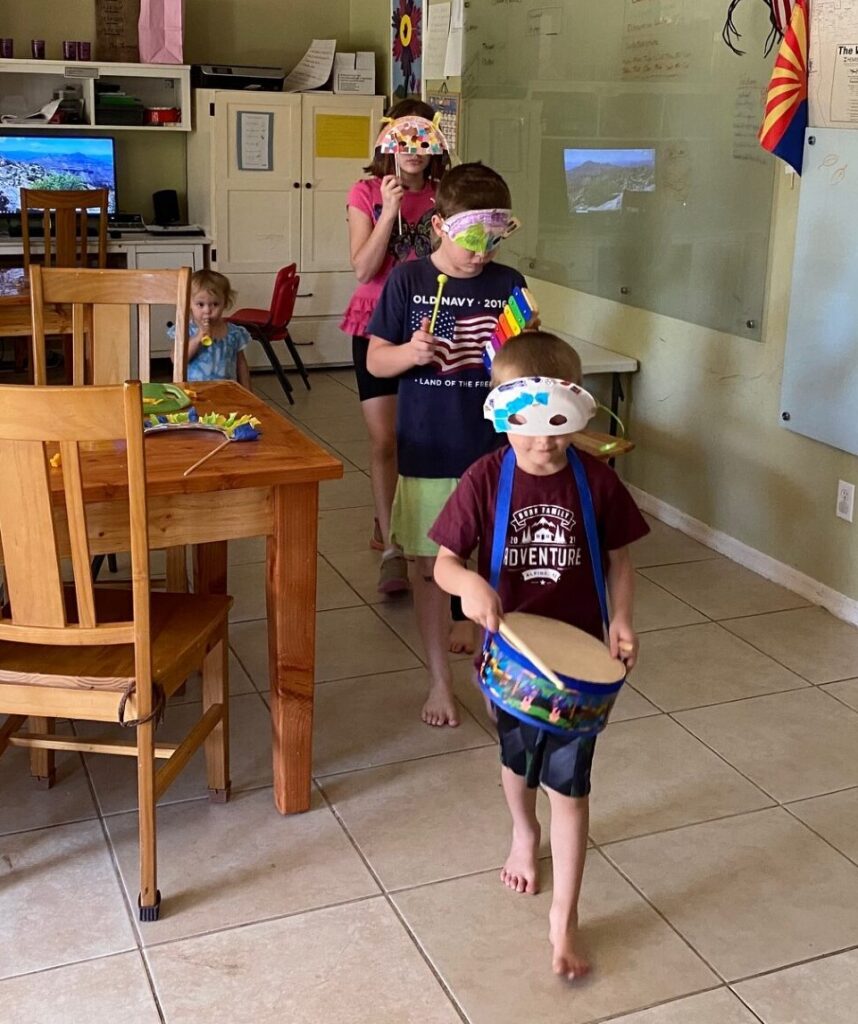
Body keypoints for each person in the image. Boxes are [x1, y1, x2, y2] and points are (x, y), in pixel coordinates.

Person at [430, 332, 650, 980]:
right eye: (528, 427)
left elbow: (621, 561)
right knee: (515, 764)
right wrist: (467, 583)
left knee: (571, 789)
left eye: (559, 427)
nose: (544, 443)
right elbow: (443, 564)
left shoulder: (598, 481)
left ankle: (565, 918)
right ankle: (523, 833)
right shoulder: (484, 478)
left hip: (576, 664)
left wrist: (624, 620)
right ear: (502, 414)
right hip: (512, 660)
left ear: (577, 413)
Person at [366, 162, 526, 727]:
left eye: (491, 242)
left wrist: (522, 351)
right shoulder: (408, 281)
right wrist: (408, 354)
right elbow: (374, 359)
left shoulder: (508, 285)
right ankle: (439, 678)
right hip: (429, 447)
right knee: (430, 565)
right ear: (439, 226)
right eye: (469, 242)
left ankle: (489, 667)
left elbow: (519, 371)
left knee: (496, 563)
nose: (479, 256)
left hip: (495, 450)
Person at [341, 99, 450, 597]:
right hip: (375, 326)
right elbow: (363, 269)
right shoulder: (365, 192)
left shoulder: (445, 197)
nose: (413, 150)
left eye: (423, 139)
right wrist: (389, 211)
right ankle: (391, 547)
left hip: (430, 327)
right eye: (403, 140)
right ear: (388, 141)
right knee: (384, 441)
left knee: (420, 437)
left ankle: (404, 522)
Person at [169, 269, 251, 389]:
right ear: (189, 304)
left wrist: (248, 392)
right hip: (193, 393)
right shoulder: (185, 331)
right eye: (200, 304)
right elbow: (177, 360)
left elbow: (241, 365)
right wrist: (197, 339)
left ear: (225, 303)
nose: (207, 310)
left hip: (227, 393)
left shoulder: (234, 333)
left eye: (215, 304)